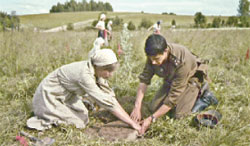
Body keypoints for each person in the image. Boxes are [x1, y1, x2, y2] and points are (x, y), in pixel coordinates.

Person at [27, 49, 141, 132]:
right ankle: (45, 113)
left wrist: (127, 118)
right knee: (78, 123)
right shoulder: (85, 75)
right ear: (98, 67)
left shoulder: (97, 72)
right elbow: (107, 103)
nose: (110, 75)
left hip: (68, 95)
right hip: (49, 95)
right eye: (108, 71)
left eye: (112, 71)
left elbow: (109, 97)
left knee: (84, 116)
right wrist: (131, 123)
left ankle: (61, 111)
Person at [130, 34, 209, 134]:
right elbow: (144, 79)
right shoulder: (153, 54)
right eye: (151, 59)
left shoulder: (181, 61)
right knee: (153, 108)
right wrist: (137, 107)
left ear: (166, 51)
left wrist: (151, 119)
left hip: (190, 79)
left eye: (156, 59)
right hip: (172, 80)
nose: (153, 62)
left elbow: (173, 97)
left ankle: (203, 97)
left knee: (179, 116)